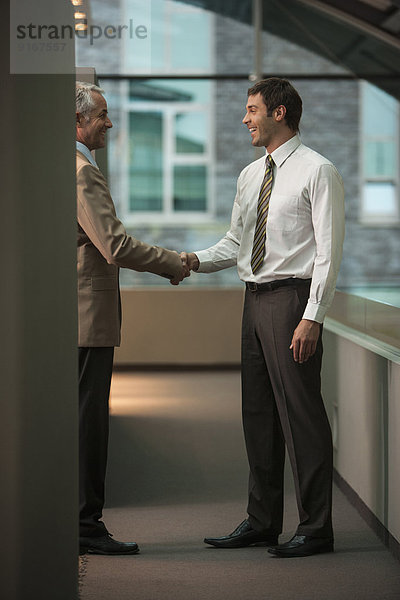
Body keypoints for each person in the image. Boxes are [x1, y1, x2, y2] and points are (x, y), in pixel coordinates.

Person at [182, 77, 345, 558]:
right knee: (257, 415)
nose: (245, 118)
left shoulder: (319, 170)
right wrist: (190, 261)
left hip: (292, 302)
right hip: (253, 300)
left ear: (279, 113)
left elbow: (329, 253)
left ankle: (316, 529)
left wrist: (313, 317)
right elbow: (235, 242)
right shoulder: (251, 175)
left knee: (303, 418)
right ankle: (261, 521)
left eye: (252, 110)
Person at [76, 81, 188, 555]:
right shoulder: (82, 172)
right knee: (87, 421)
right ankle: (85, 526)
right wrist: (172, 261)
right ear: (77, 121)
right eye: (102, 114)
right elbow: (115, 246)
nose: (109, 123)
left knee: (79, 418)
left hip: (72, 315)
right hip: (84, 317)